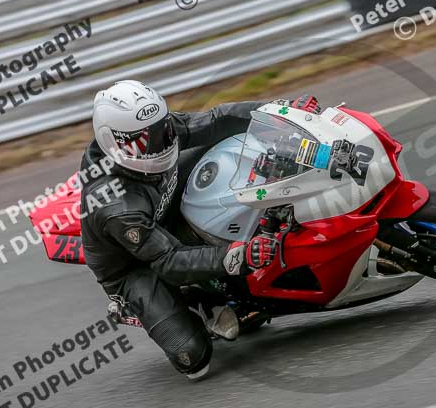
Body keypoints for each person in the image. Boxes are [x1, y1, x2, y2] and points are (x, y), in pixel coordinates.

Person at [79, 80, 320, 380]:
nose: (160, 144)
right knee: (193, 359)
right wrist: (239, 255)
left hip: (162, 208)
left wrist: (283, 112)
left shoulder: (157, 137)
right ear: (113, 143)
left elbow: (216, 120)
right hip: (136, 266)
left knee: (220, 139)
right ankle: (196, 307)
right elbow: (168, 261)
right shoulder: (115, 206)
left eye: (162, 130)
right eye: (145, 141)